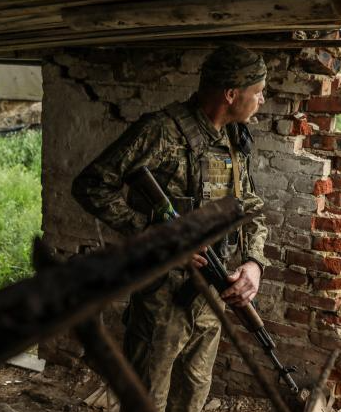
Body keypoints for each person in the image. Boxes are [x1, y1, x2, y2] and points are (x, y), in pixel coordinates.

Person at [72, 44, 269, 412]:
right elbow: (92, 184)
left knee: (194, 394)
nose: (262, 100)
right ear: (231, 94)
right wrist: (151, 233)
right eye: (257, 92)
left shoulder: (234, 139)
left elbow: (251, 210)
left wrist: (254, 263)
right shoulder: (162, 131)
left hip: (213, 289)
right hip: (161, 296)